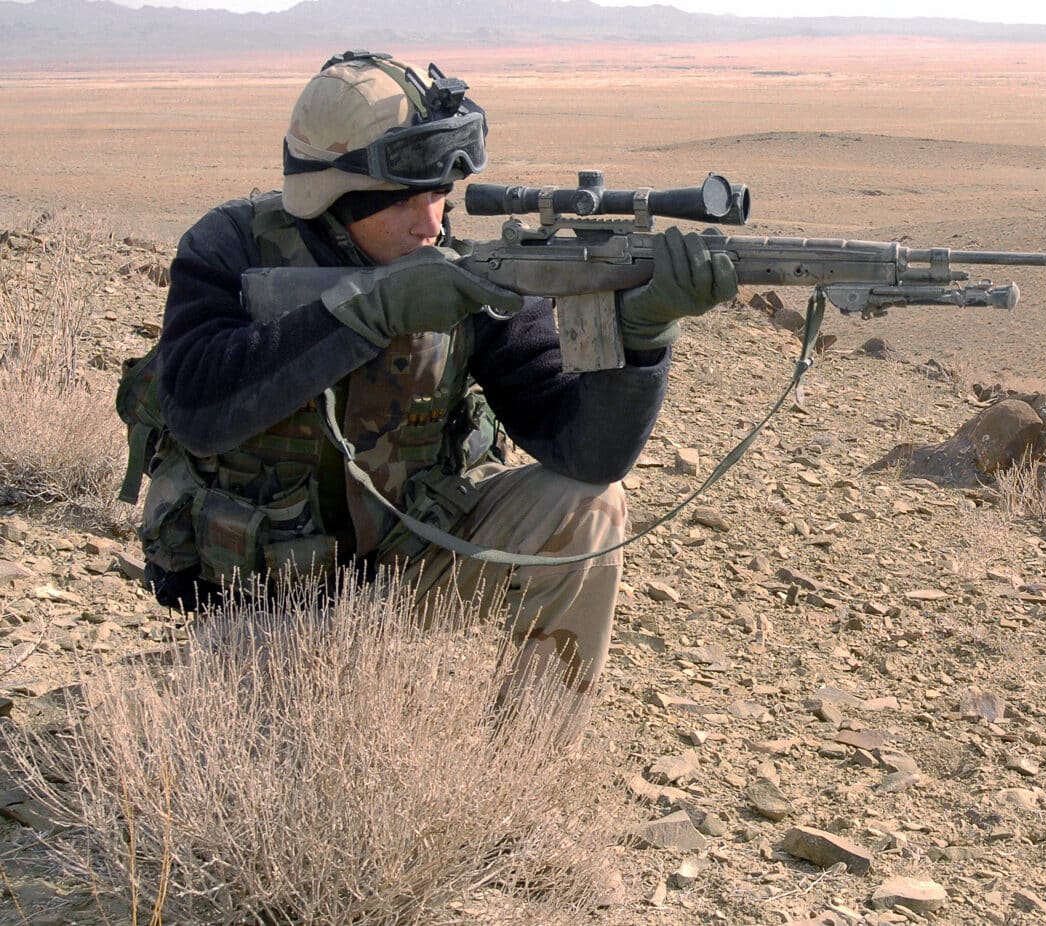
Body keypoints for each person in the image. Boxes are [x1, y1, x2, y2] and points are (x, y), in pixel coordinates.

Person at [136, 49, 736, 727]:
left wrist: (645, 338)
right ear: (338, 194)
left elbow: (586, 452)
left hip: (409, 571)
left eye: (442, 199)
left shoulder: (461, 273)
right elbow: (197, 409)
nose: (433, 225)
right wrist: (369, 313)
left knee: (587, 503)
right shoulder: (232, 248)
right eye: (410, 202)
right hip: (262, 601)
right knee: (269, 788)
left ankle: (520, 784)